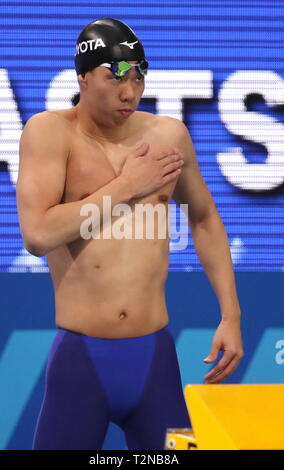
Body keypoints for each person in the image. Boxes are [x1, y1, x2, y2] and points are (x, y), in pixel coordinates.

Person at [16, 17, 244, 450]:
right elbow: (38, 234)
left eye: (139, 76)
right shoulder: (49, 133)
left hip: (156, 363)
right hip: (82, 363)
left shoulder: (167, 135)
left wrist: (231, 315)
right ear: (83, 77)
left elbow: (204, 219)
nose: (130, 92)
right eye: (115, 77)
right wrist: (128, 186)